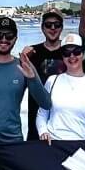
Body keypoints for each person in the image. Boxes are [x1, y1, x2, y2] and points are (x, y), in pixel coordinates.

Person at [36, 33, 85, 141]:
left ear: (84, 54)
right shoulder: (52, 81)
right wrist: (43, 132)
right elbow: (42, 114)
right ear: (62, 57)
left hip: (82, 144)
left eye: (77, 52)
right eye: (66, 53)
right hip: (53, 143)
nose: (72, 56)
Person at [22, 10, 67, 141]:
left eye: (57, 25)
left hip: (62, 119)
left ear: (61, 27)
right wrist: (23, 58)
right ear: (42, 28)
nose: (52, 28)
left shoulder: (71, 53)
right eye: (48, 25)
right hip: (35, 119)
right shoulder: (32, 53)